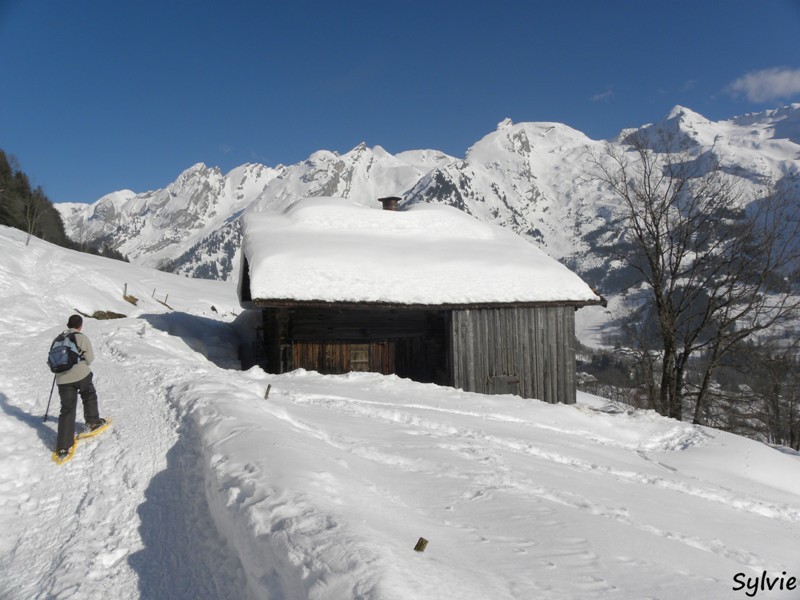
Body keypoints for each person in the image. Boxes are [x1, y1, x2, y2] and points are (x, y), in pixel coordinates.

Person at [55, 314, 107, 458]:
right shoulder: (82, 338)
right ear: (80, 325)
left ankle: (63, 447)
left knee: (67, 409)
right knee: (88, 394)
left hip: (62, 380)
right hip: (81, 374)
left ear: (68, 324)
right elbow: (90, 358)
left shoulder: (58, 339)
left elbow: (51, 361)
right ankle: (93, 422)